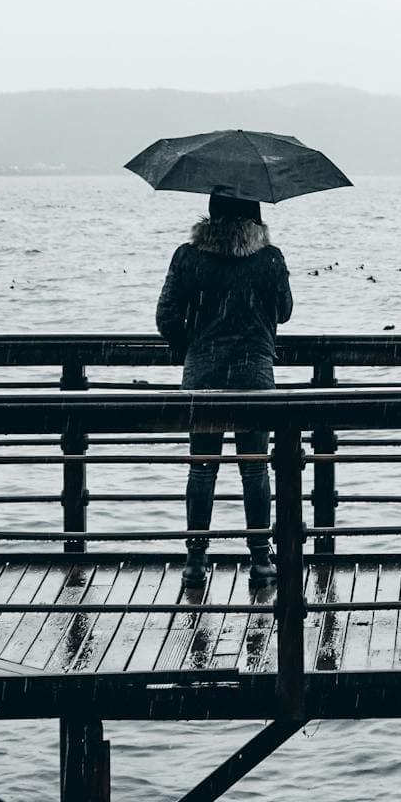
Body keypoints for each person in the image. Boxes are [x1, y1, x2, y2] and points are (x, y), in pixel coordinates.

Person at [154, 193, 294, 584]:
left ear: (211, 214)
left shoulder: (187, 256)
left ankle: (195, 563)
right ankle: (261, 563)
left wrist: (195, 349)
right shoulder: (269, 259)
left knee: (201, 470)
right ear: (257, 214)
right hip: (254, 376)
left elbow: (166, 317)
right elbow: (284, 310)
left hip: (203, 378)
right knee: (254, 469)